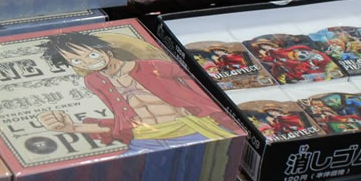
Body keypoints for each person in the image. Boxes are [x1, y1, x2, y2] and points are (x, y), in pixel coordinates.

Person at [35, 32, 238, 149]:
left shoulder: (153, 66)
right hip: (144, 141)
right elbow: (122, 121)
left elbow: (199, 78)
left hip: (192, 132)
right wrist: (71, 128)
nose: (87, 62)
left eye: (91, 55)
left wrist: (205, 106)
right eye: (77, 61)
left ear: (105, 49)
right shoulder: (94, 81)